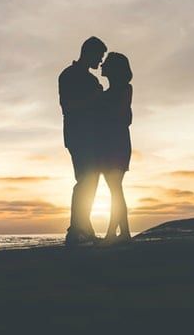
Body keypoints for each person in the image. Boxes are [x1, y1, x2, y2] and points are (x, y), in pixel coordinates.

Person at [58, 36, 106, 246]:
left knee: (91, 181)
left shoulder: (92, 80)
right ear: (89, 52)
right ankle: (76, 229)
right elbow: (68, 106)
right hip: (79, 136)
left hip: (92, 137)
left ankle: (84, 227)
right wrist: (95, 98)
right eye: (99, 56)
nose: (101, 61)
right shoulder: (68, 75)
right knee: (84, 180)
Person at [97, 52, 133, 245]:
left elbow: (125, 118)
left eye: (106, 63)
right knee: (115, 189)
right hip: (110, 145)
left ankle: (115, 233)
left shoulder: (124, 90)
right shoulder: (108, 93)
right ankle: (123, 232)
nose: (102, 65)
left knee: (115, 189)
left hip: (117, 145)